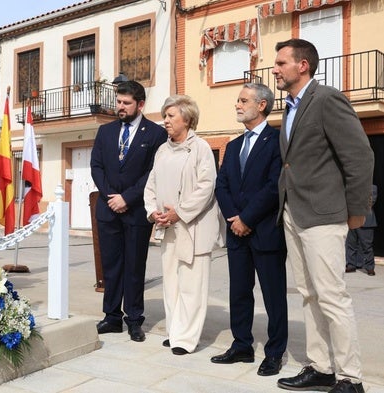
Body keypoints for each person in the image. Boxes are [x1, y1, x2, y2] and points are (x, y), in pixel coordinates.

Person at [273, 38, 374, 393]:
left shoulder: (327, 98)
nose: (275, 69)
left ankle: (350, 378)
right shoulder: (290, 106)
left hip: (324, 214)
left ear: (303, 65)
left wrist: (358, 210)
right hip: (293, 213)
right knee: (309, 294)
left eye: (281, 63)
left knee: (332, 296)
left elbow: (360, 157)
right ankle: (321, 366)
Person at [211, 83, 288, 375]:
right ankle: (241, 345)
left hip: (265, 232)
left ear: (262, 105)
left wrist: (248, 219)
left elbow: (273, 187)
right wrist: (233, 218)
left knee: (273, 295)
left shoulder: (277, 140)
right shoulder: (232, 146)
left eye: (244, 100)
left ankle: (274, 353)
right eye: (238, 101)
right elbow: (222, 184)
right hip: (236, 233)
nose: (237, 105)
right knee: (239, 293)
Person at [144, 95, 223, 355]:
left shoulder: (200, 148)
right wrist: (153, 212)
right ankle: (175, 330)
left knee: (192, 284)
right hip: (166, 227)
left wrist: (179, 212)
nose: (165, 121)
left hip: (193, 226)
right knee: (171, 282)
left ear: (186, 119)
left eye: (171, 116)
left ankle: (186, 339)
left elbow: (206, 188)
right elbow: (151, 186)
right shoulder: (162, 150)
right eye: (165, 116)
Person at [90, 80, 167, 342]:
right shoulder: (106, 132)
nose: (120, 107)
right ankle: (111, 317)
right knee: (111, 267)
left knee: (135, 267)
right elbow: (96, 167)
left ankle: (134, 319)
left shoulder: (156, 134)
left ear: (140, 104)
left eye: (126, 103)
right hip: (108, 209)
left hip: (135, 211)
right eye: (118, 102)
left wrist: (127, 198)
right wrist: (111, 196)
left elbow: (153, 173)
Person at [346, 184, 378, 276]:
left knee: (367, 246)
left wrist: (353, 202)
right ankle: (351, 265)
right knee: (351, 245)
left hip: (366, 221)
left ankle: (370, 268)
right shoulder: (351, 186)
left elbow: (370, 202)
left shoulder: (372, 187)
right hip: (352, 219)